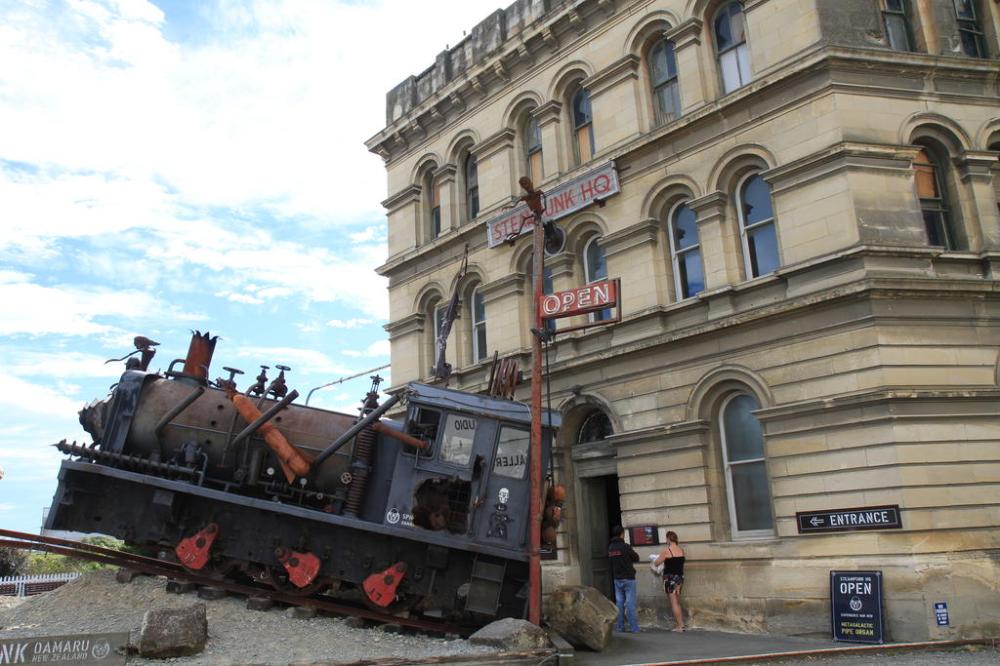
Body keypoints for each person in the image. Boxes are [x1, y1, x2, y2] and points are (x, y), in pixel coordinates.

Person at [608, 525, 640, 633]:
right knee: (630, 603)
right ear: (622, 534)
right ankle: (634, 628)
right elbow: (636, 558)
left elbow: (610, 563)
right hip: (628, 578)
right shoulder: (625, 546)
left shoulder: (610, 548)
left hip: (617, 578)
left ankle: (620, 627)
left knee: (619, 603)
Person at [653, 530, 685, 632]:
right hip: (679, 578)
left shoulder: (667, 551)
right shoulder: (681, 550)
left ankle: (679, 626)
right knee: (677, 601)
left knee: (673, 602)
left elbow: (656, 563)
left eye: (666, 539)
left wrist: (656, 558)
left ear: (668, 539)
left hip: (670, 578)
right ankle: (680, 624)